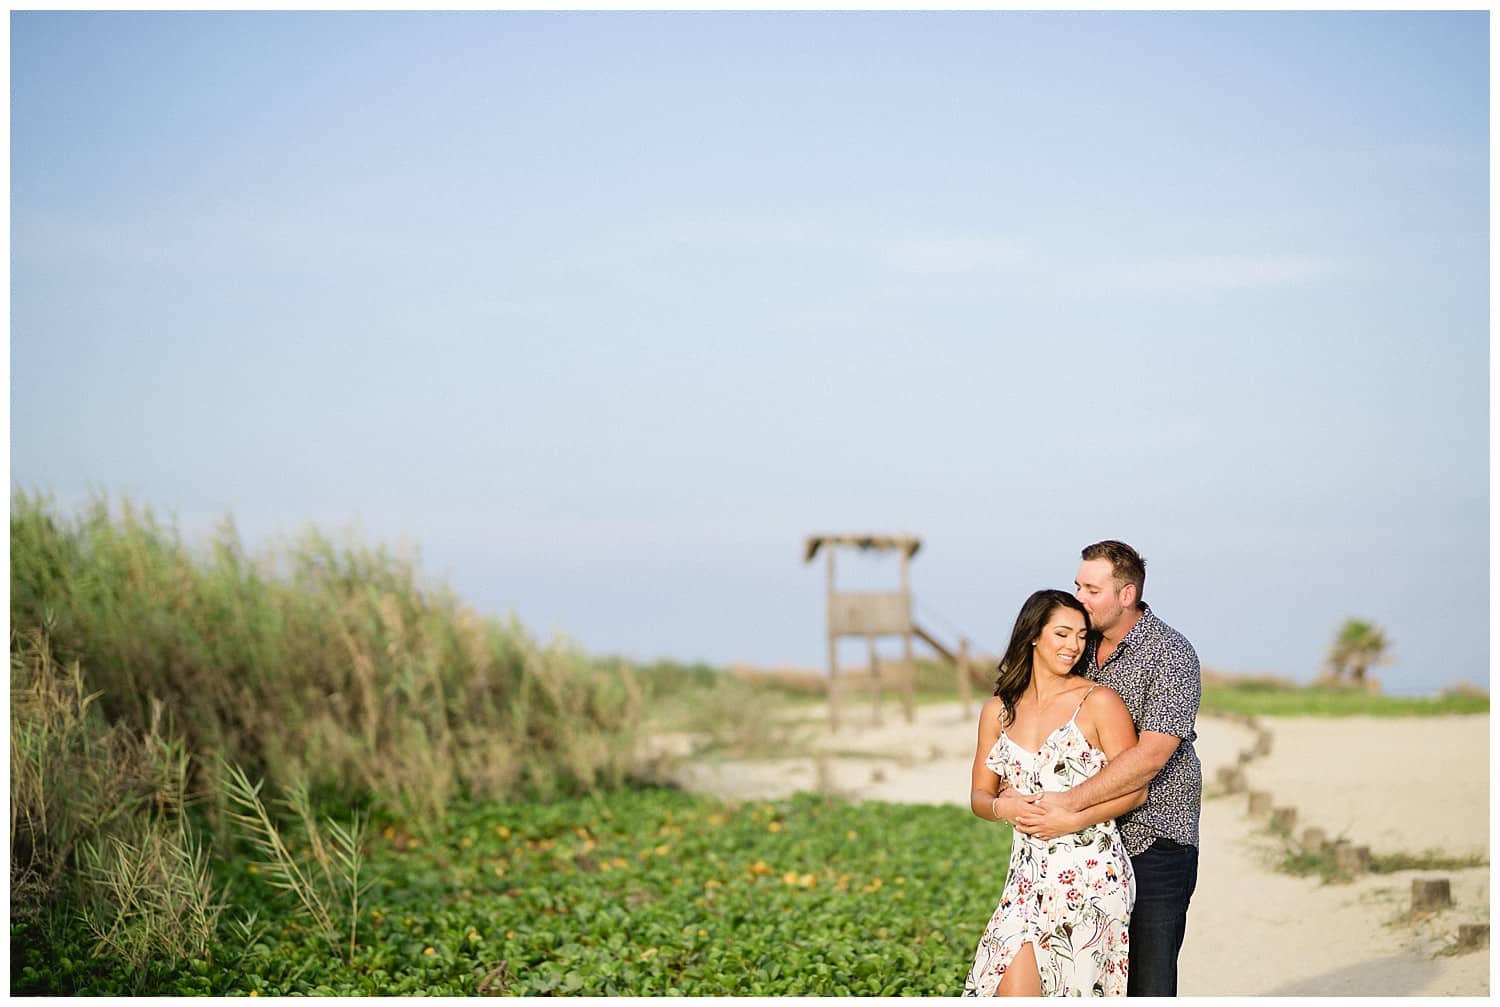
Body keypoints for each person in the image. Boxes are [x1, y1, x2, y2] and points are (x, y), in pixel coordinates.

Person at [1006, 541, 1202, 997]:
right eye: (1077, 585)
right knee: (1078, 980)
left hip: (1153, 839)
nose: (1080, 596)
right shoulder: (1080, 641)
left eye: (1091, 589)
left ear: (1126, 594)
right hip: (1080, 848)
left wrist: (1067, 805)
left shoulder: (1170, 653)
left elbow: (1151, 757)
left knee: (1148, 982)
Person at [963, 589, 1147, 997]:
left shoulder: (1099, 703)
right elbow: (978, 796)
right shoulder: (999, 709)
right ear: (1033, 635)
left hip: (1091, 875)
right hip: (1024, 878)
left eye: (1081, 636)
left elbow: (1136, 791)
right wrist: (1000, 805)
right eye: (1062, 634)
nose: (1073, 646)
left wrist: (1073, 818)